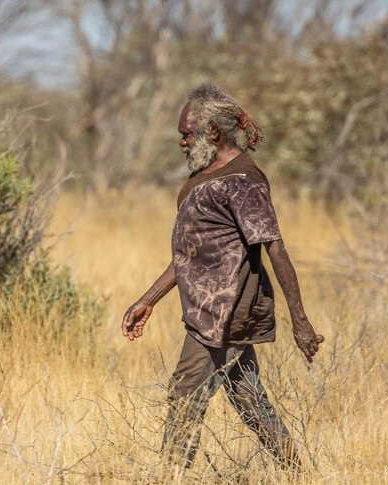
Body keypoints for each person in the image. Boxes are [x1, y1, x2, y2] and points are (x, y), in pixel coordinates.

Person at [121, 82, 324, 472]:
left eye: (186, 134)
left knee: (184, 394)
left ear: (212, 132)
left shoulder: (242, 179)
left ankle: (169, 478)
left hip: (226, 313)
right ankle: (299, 475)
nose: (181, 142)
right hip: (209, 311)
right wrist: (149, 299)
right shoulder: (208, 176)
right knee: (249, 399)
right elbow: (190, 256)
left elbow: (274, 247)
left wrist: (300, 320)